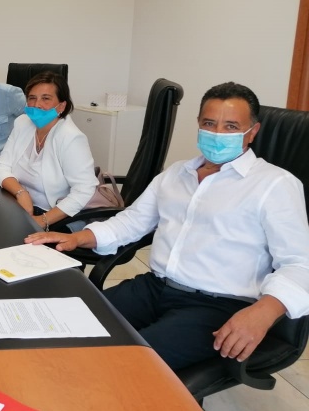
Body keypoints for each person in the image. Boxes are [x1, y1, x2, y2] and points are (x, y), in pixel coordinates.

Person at [26, 82, 309, 371]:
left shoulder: (275, 185)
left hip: (216, 307)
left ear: (252, 131)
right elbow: (133, 220)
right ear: (198, 124)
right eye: (209, 123)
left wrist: (264, 312)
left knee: (123, 366)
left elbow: (300, 264)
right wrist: (79, 238)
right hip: (154, 288)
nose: (217, 133)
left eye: (231, 126)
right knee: (61, 324)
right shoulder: (177, 173)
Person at [0, 71, 97, 231]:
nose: (37, 104)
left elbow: (84, 190)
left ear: (61, 106)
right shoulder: (22, 123)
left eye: (46, 98)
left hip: (55, 215)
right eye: (32, 98)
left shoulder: (71, 137)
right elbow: (1, 167)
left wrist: (42, 220)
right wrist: (21, 193)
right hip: (19, 205)